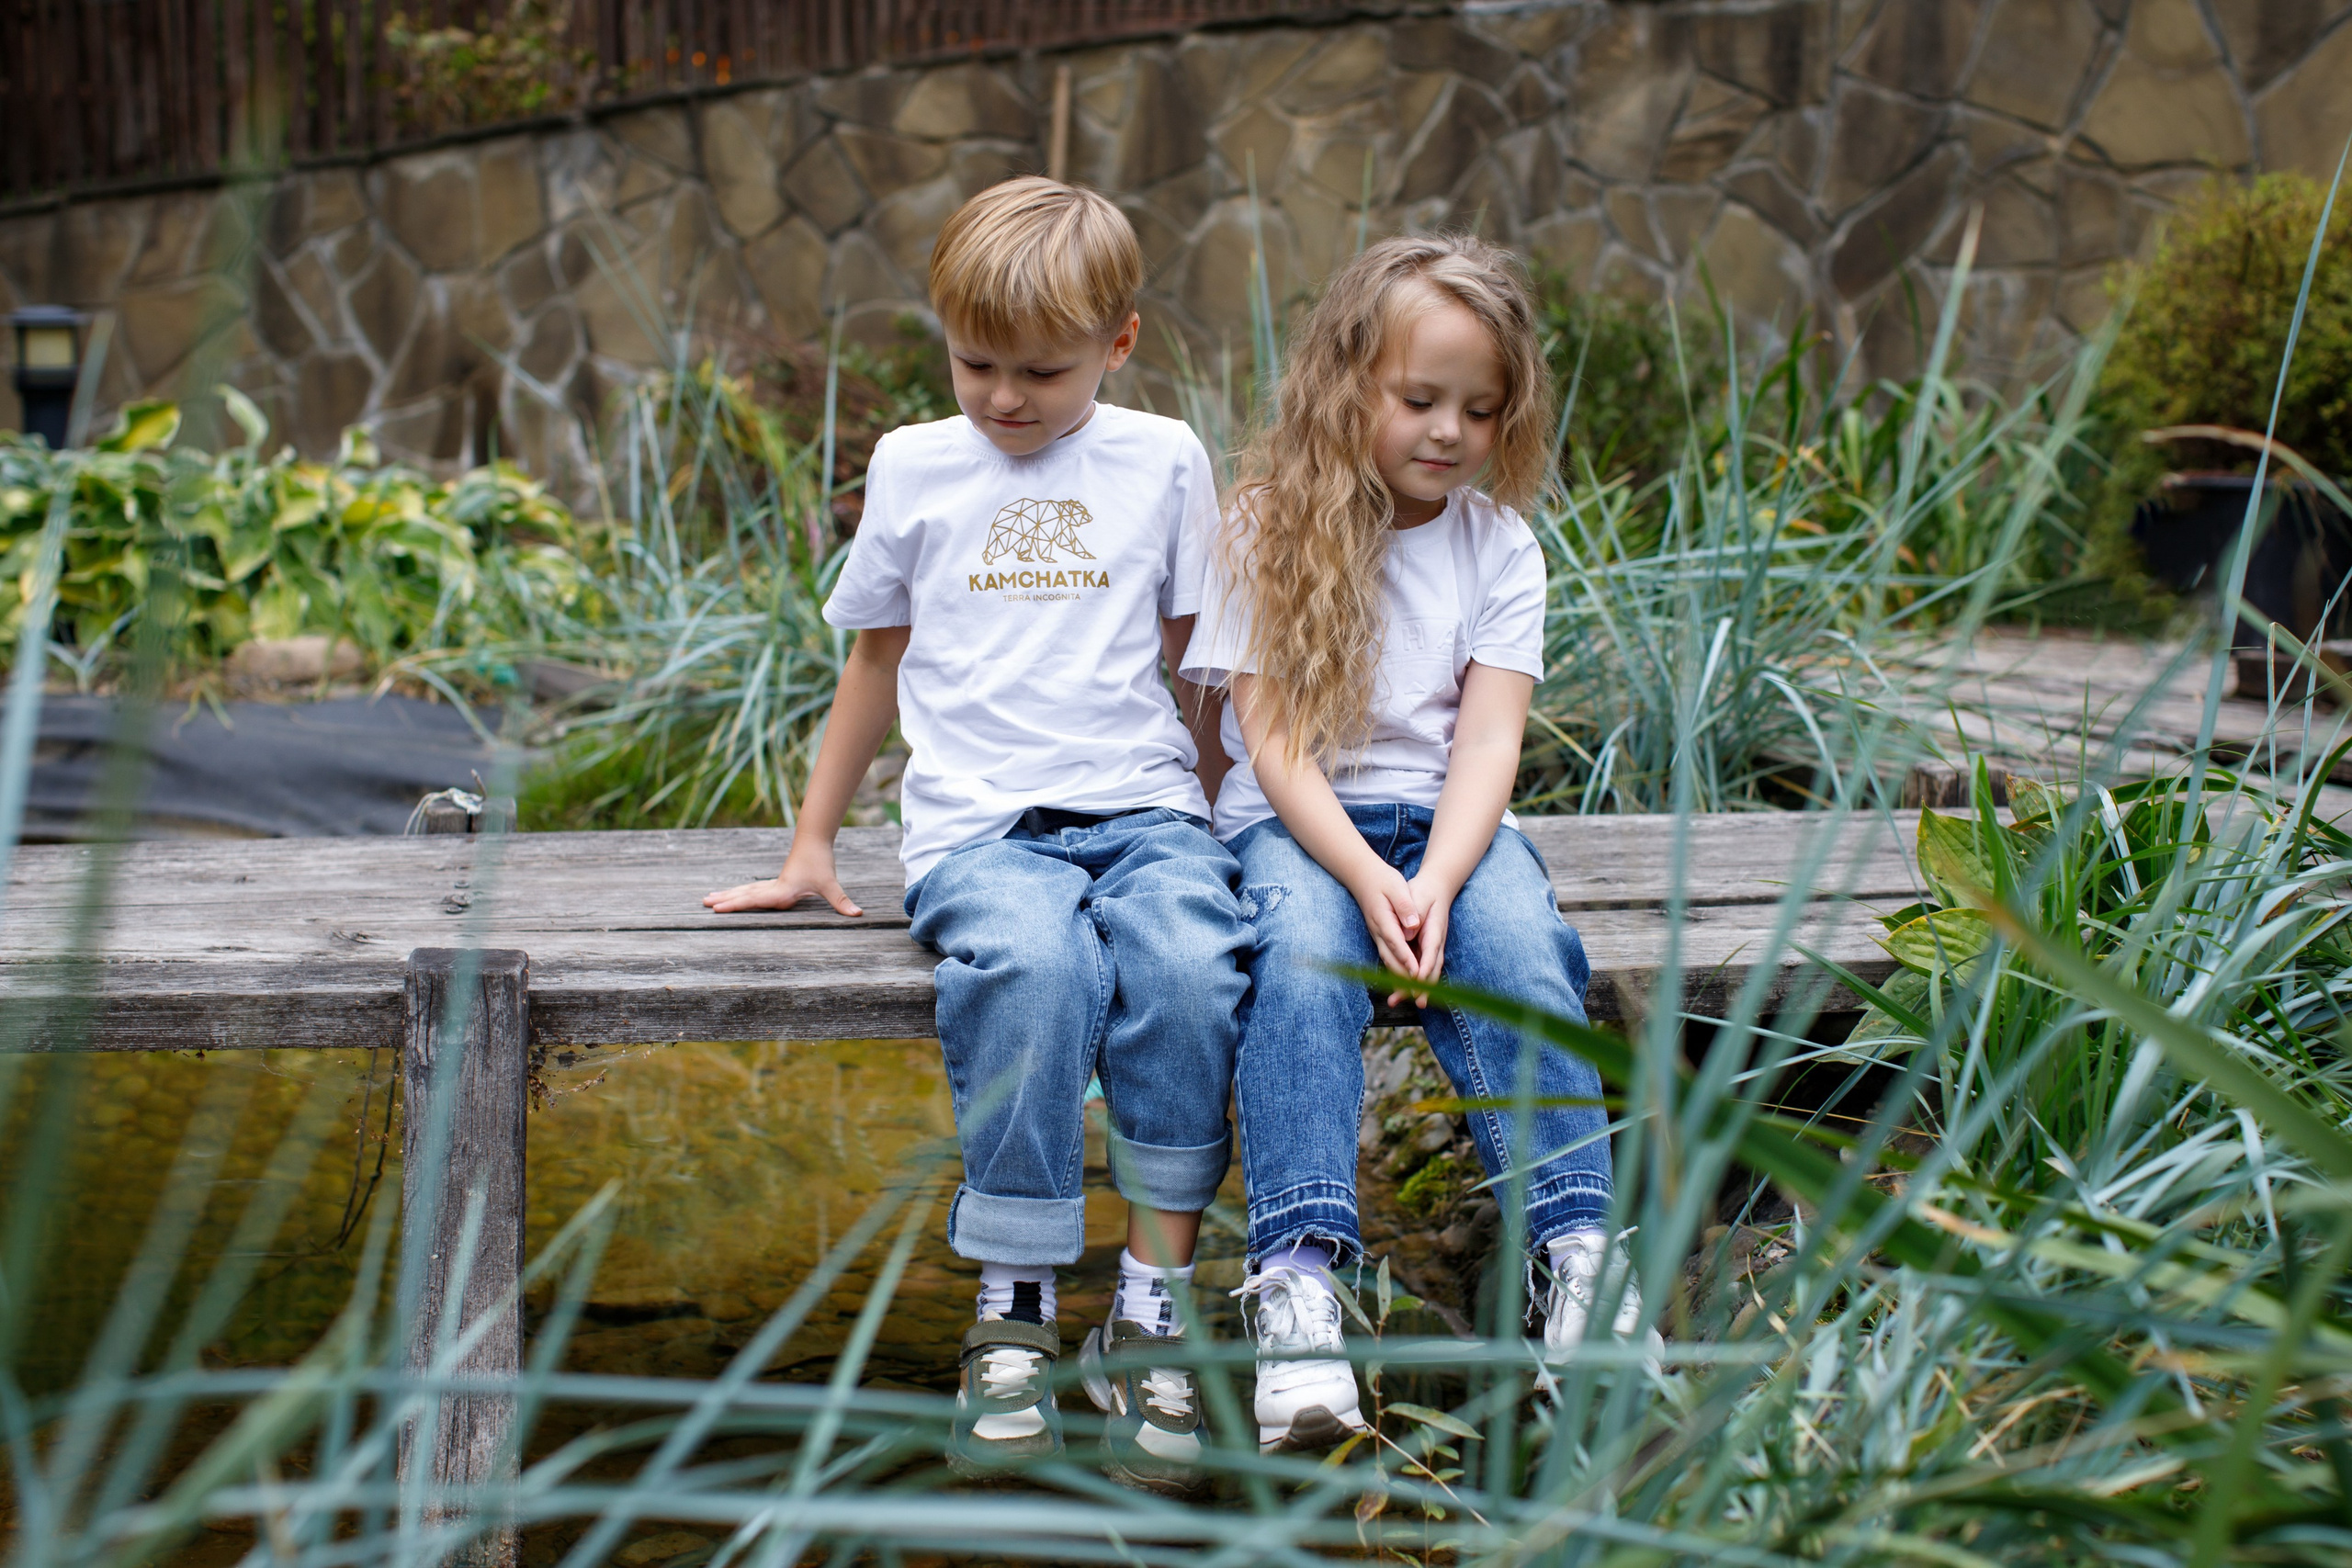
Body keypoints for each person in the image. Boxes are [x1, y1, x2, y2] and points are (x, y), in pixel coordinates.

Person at [706, 176, 1247, 1495]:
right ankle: (1014, 1301)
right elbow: (874, 664)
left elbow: (1201, 663)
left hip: (1143, 808)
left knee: (1186, 961)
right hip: (978, 830)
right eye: (976, 363)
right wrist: (811, 846)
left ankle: (1153, 1306)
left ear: (1120, 343)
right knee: (1033, 965)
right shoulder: (915, 465)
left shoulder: (1163, 458)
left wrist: (1229, 822)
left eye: (1043, 372)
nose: (1005, 398)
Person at [1182, 232, 1655, 1453]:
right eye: (1419, 399)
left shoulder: (1499, 548)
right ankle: (1298, 1278)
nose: (1448, 430)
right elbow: (1271, 742)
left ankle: (1576, 1262)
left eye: (1480, 409)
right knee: (1294, 962)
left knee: (1519, 945)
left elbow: (1490, 742)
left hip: (1446, 823)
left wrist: (1440, 879)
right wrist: (1365, 877)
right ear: (1348, 386)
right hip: (1302, 826)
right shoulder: (1267, 526)